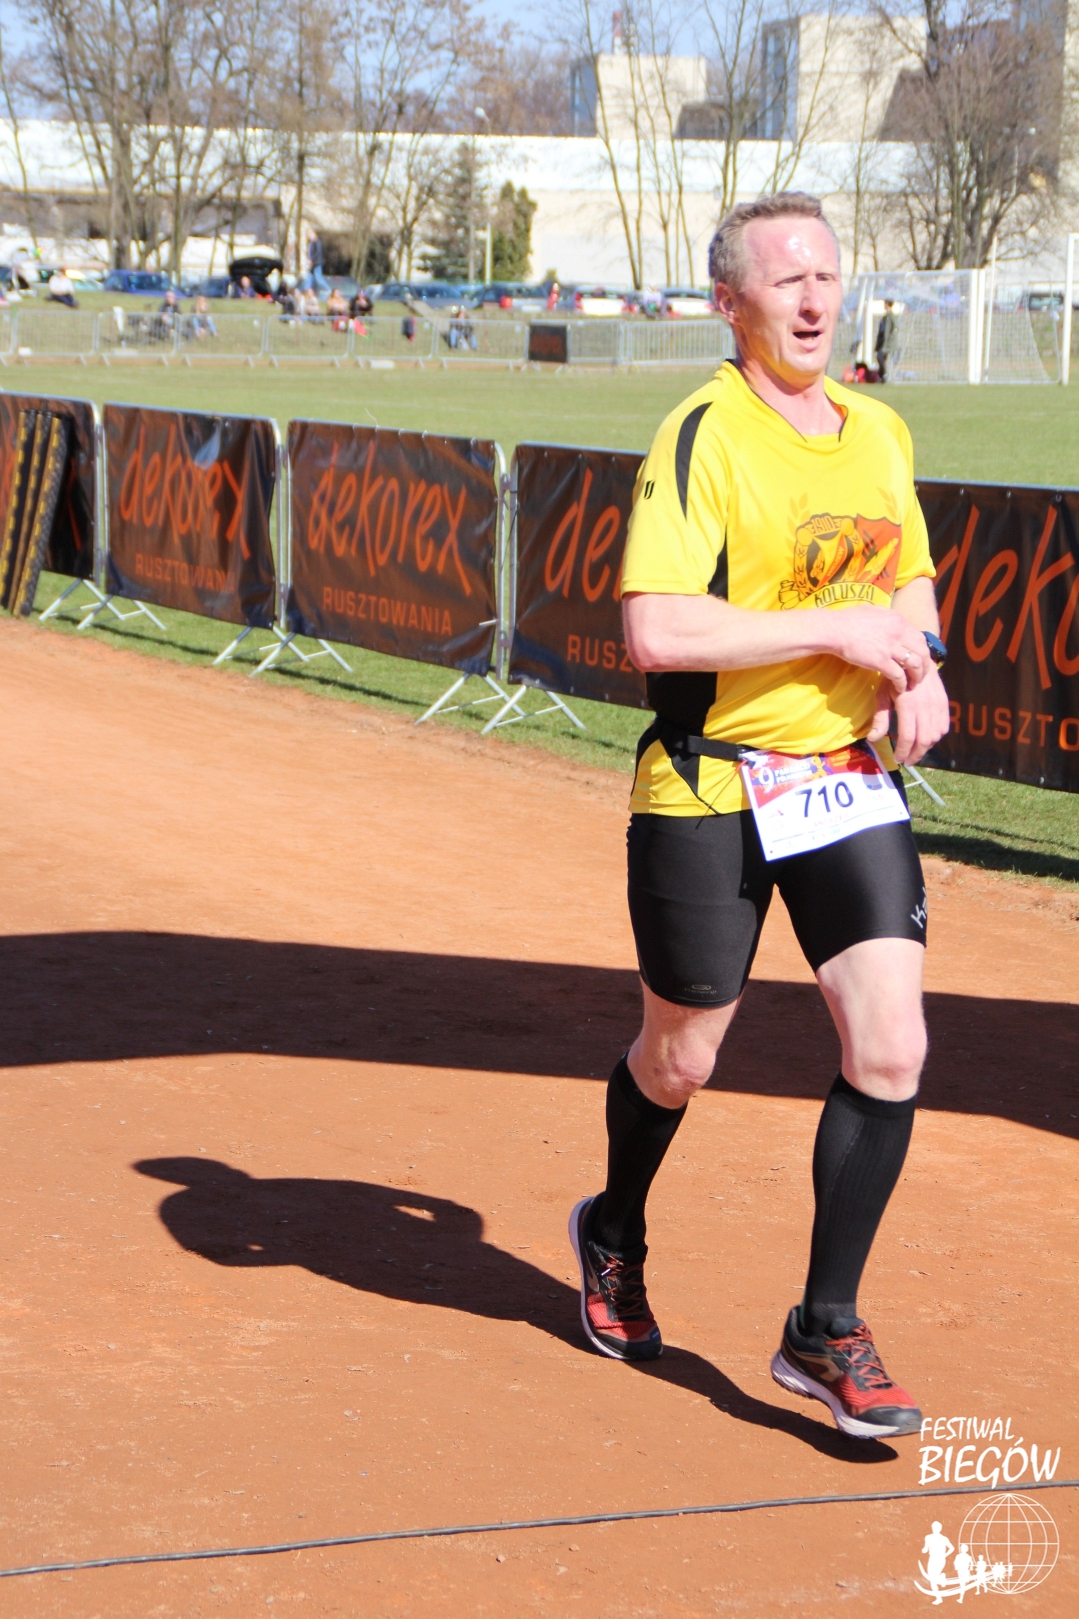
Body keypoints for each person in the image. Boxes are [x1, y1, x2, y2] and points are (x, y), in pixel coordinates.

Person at [568, 191, 950, 1442]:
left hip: (838, 777)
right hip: (711, 778)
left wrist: (920, 662)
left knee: (889, 1045)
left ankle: (822, 1325)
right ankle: (613, 1228)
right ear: (728, 304)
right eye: (784, 280)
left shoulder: (876, 428)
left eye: (825, 275)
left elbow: (906, 576)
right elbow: (655, 628)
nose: (812, 298)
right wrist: (834, 628)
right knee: (680, 1056)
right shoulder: (701, 432)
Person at [922, 1523, 955, 1604]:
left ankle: (941, 1578)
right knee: (932, 1579)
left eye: (936, 1527)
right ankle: (939, 1597)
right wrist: (924, 1550)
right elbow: (926, 1548)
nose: (935, 1529)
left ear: (940, 1528)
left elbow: (952, 1548)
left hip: (938, 1559)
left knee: (933, 1579)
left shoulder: (943, 1538)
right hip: (933, 1558)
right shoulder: (929, 1537)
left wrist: (945, 1555)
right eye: (934, 1527)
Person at [876, 298, 899, 382]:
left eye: (885, 303)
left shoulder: (891, 316)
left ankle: (884, 375)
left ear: (888, 304)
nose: (884, 305)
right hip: (882, 341)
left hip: (888, 343)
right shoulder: (885, 316)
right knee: (881, 357)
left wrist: (891, 339)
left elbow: (895, 328)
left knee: (880, 356)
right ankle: (882, 378)